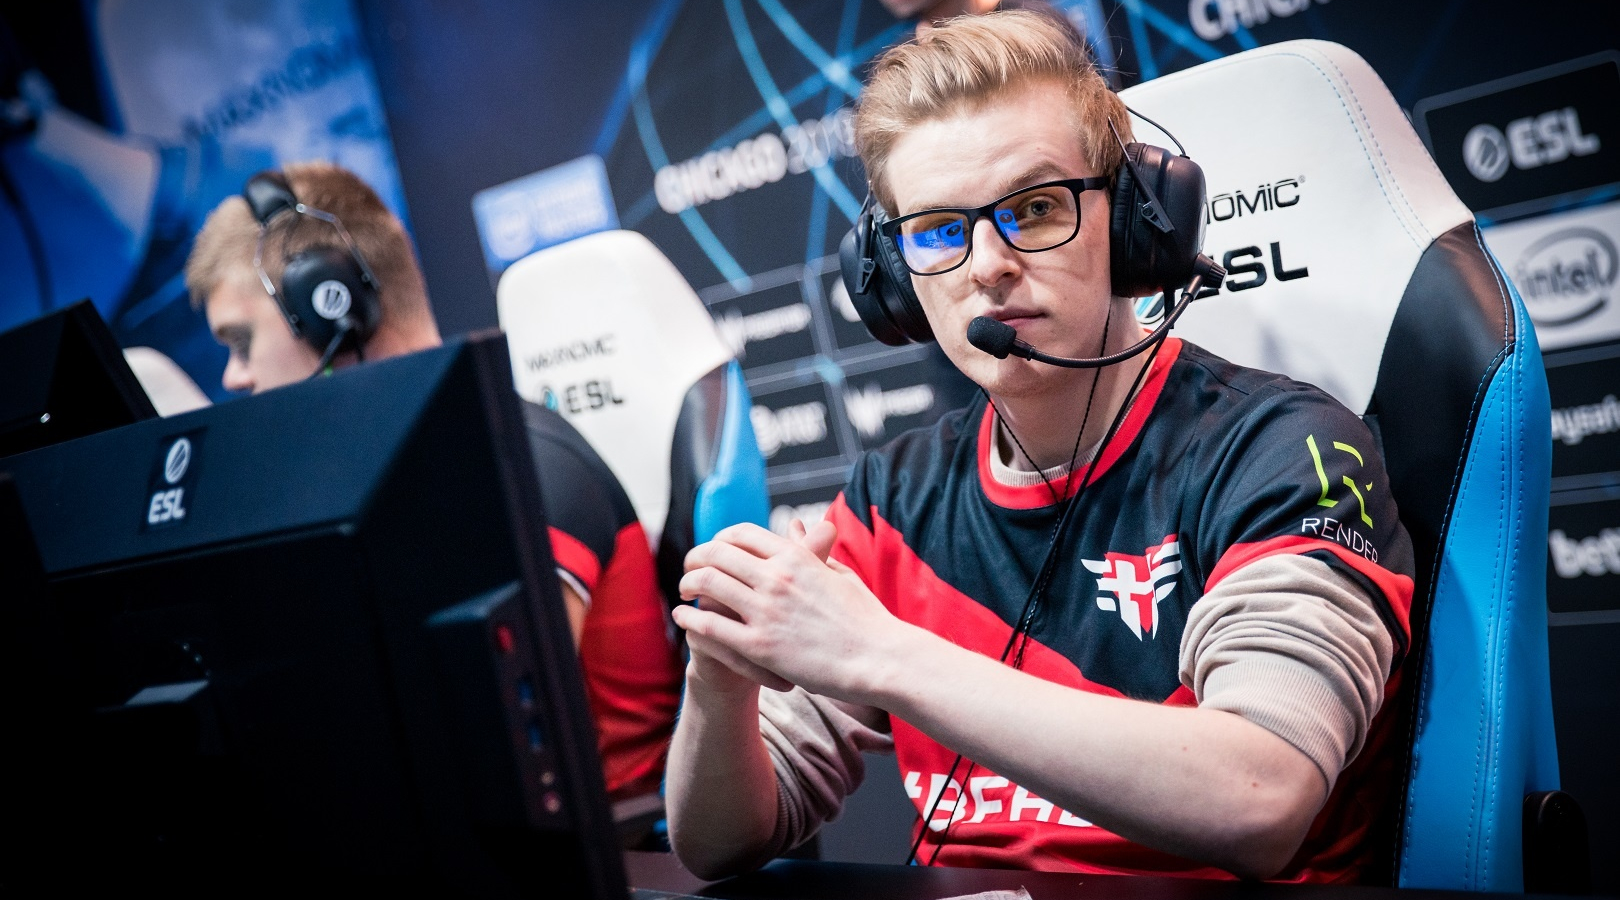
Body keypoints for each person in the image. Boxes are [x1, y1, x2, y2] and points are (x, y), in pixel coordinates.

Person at [665, 10, 1416, 882]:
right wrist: (719, 685)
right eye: (938, 230)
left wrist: (882, 653)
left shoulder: (1283, 450)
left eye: (1034, 208)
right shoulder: (890, 502)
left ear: (1133, 225)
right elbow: (717, 844)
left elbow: (1262, 797)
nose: (988, 263)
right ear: (893, 278)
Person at [184, 161, 683, 804]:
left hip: (614, 837)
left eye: (241, 340)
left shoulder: (519, 464)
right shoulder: (403, 476)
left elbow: (497, 732)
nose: (234, 377)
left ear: (330, 306)